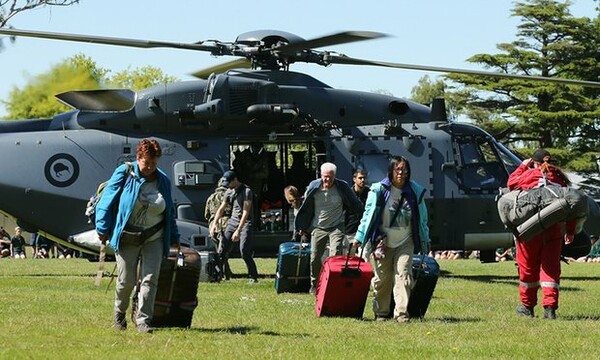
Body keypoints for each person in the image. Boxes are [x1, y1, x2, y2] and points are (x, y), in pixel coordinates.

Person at [96, 138, 180, 333]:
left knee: (151, 279)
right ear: (138, 158)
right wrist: (102, 228)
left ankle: (143, 320)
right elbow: (106, 201)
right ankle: (119, 314)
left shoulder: (163, 180)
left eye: (154, 163)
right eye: (146, 162)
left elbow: (169, 211)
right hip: (127, 236)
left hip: (155, 236)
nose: (150, 167)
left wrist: (174, 235)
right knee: (126, 280)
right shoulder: (124, 173)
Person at [353, 156, 431, 322]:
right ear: (391, 171)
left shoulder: (415, 191)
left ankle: (401, 314)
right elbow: (368, 215)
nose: (401, 173)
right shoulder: (379, 190)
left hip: (406, 241)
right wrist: (360, 237)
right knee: (382, 279)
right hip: (383, 242)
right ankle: (381, 312)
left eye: (404, 170)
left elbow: (423, 219)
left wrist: (425, 240)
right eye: (398, 169)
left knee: (403, 274)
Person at [507, 148, 573, 320]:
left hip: (531, 229)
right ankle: (550, 309)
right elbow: (569, 205)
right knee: (551, 269)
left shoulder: (531, 174)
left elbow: (511, 183)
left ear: (534, 162)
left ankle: (527, 307)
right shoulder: (560, 179)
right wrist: (570, 231)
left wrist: (522, 166)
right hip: (554, 230)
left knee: (528, 268)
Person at [295, 162, 364, 295]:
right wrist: (302, 226)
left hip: (337, 226)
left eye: (330, 177)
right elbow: (305, 207)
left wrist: (365, 218)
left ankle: (333, 283)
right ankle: (314, 285)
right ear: (321, 175)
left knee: (335, 255)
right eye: (325, 177)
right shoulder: (313, 186)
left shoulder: (342, 187)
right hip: (318, 227)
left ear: (335, 176)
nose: (327, 180)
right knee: (315, 257)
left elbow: (355, 204)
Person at [210, 170, 259, 284]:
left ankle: (253, 276)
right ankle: (218, 275)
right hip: (232, 222)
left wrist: (238, 230)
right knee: (222, 250)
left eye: (229, 182)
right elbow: (221, 209)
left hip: (245, 223)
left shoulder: (247, 191)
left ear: (235, 180)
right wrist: (214, 224)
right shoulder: (229, 192)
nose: (228, 185)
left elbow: (246, 212)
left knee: (244, 251)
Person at [205, 177, 233, 279]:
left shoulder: (211, 197)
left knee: (219, 250)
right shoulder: (230, 196)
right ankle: (221, 273)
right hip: (226, 224)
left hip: (214, 226)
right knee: (224, 252)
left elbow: (206, 214)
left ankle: (226, 272)